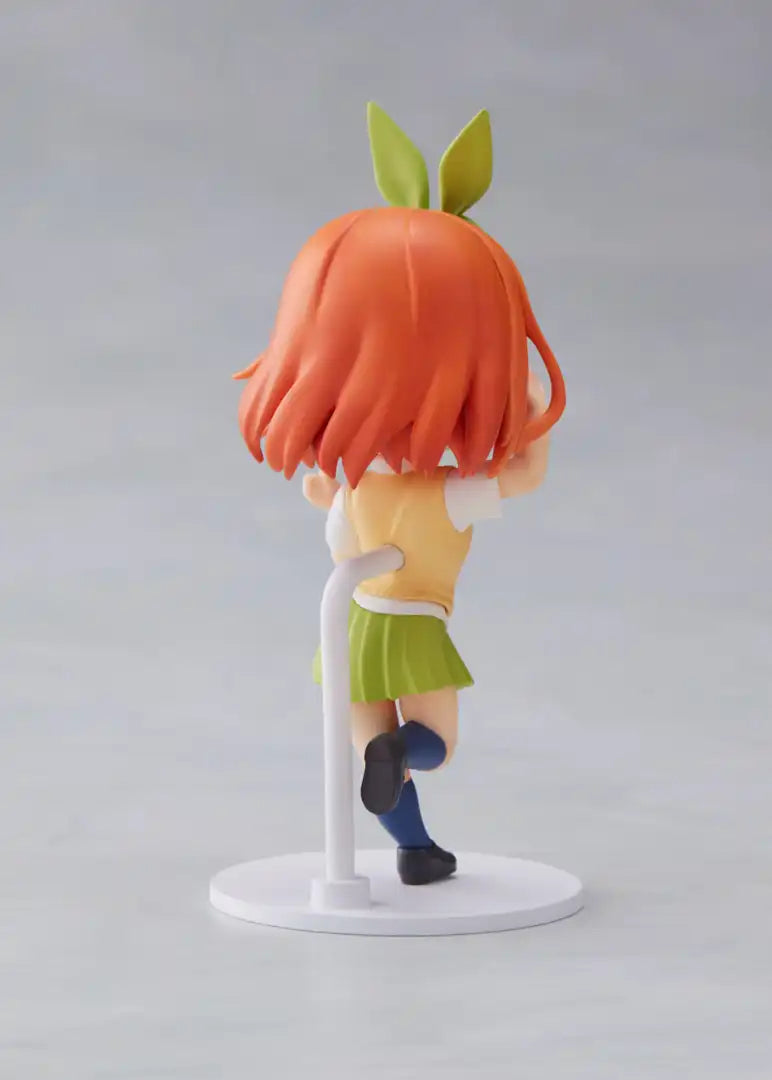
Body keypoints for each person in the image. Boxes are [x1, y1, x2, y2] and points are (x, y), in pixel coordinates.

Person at [235, 103, 565, 885]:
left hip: (348, 630)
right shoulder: (445, 495)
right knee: (433, 745)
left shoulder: (356, 489)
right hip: (413, 629)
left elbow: (323, 495)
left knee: (366, 754)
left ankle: (416, 851)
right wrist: (531, 403)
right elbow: (525, 475)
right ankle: (401, 759)